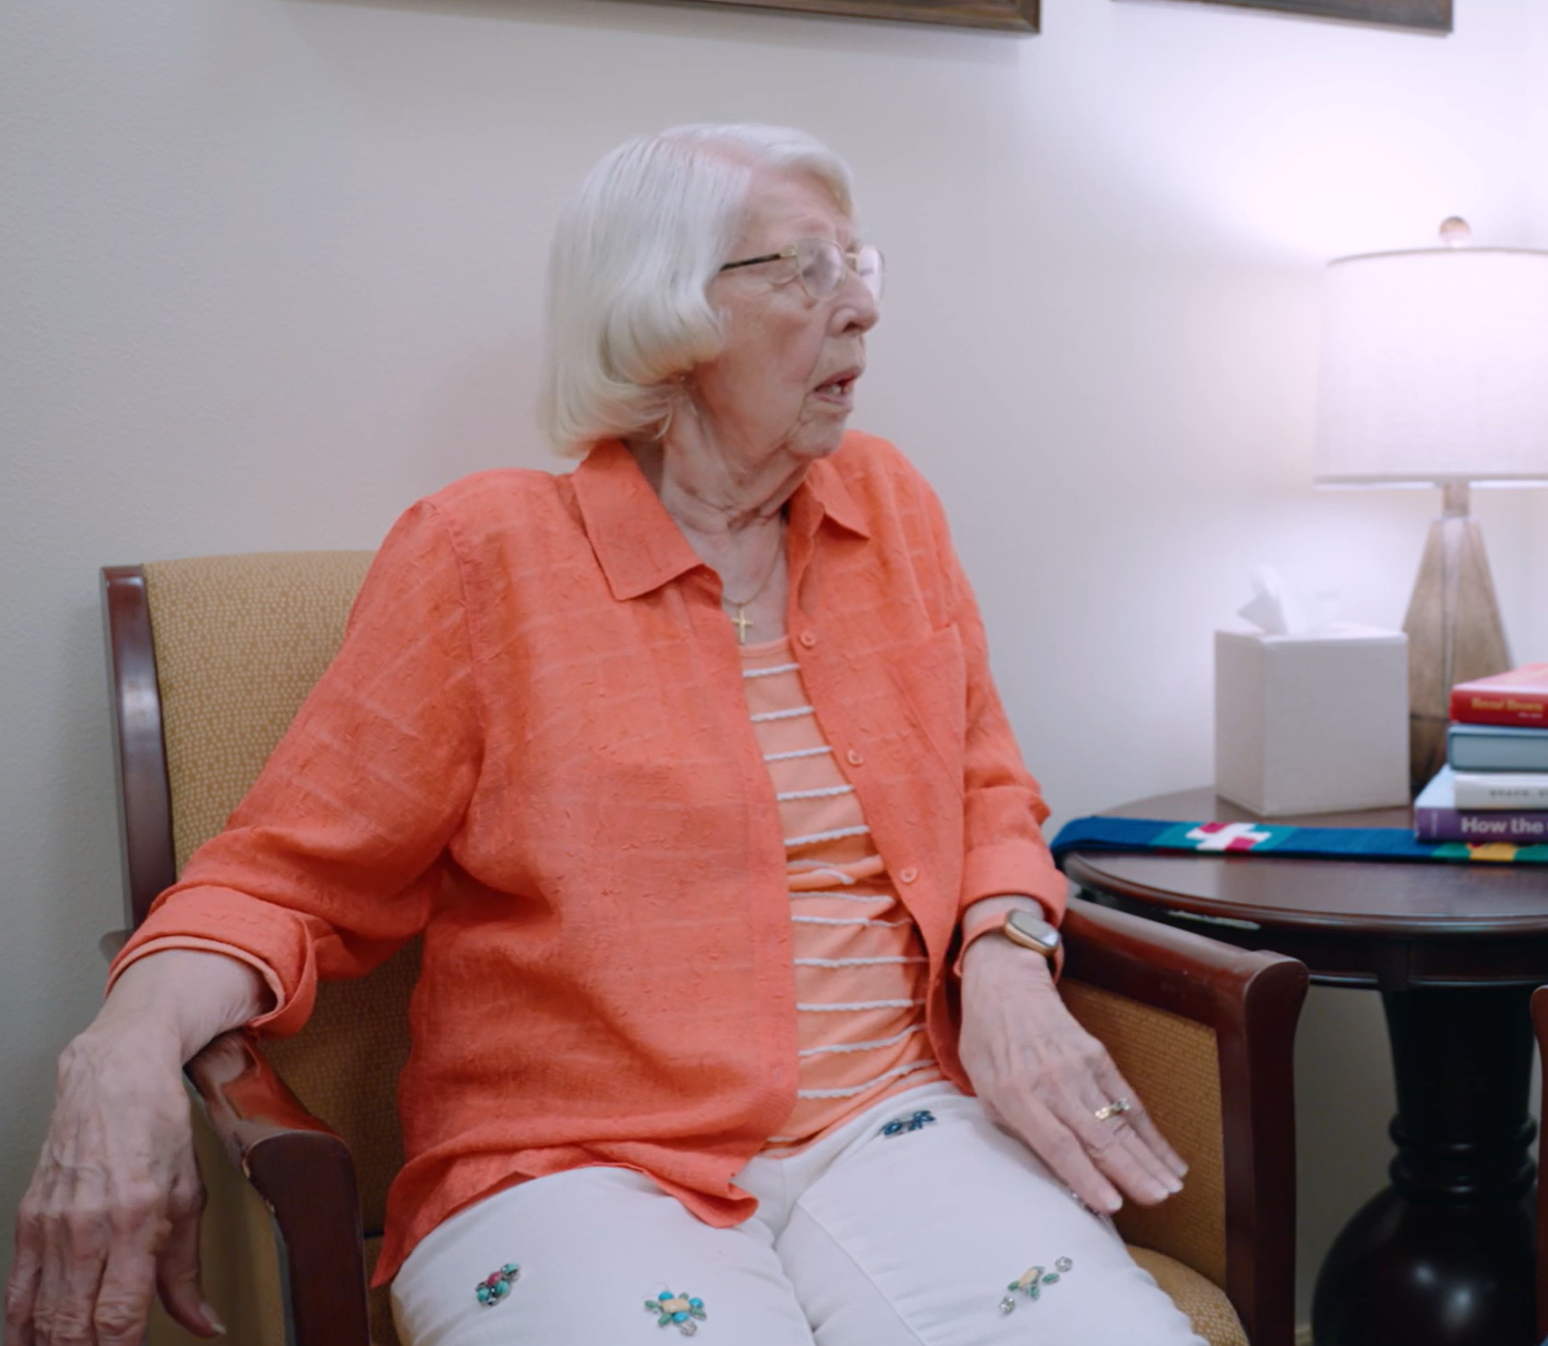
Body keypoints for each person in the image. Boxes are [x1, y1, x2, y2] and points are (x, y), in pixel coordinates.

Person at [7, 124, 1206, 1346]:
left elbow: (986, 791)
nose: (859, 311)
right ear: (664, 317)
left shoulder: (887, 508)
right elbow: (285, 877)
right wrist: (120, 1050)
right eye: (803, 269)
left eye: (860, 263)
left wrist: (1003, 958)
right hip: (571, 1167)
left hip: (902, 1127)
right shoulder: (485, 556)